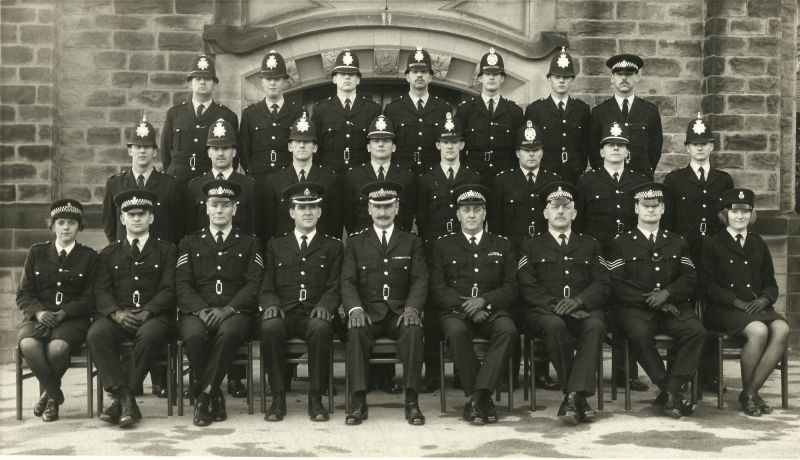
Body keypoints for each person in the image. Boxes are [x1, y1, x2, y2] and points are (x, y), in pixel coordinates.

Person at [607, 182, 706, 419]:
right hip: (637, 310)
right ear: (636, 209)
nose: (650, 210)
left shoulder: (677, 241)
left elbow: (690, 278)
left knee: (697, 331)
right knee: (639, 334)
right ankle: (668, 390)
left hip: (673, 308)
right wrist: (655, 300)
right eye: (645, 206)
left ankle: (669, 393)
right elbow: (617, 283)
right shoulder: (620, 242)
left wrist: (668, 294)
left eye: (656, 206)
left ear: (663, 209)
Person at [517, 182, 608, 424]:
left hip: (582, 310)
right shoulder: (530, 245)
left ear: (574, 213)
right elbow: (527, 285)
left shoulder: (590, 244)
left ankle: (572, 397)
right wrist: (557, 305)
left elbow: (602, 283)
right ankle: (578, 396)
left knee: (596, 326)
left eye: (566, 207)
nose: (560, 211)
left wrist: (578, 301)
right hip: (544, 313)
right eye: (554, 206)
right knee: (555, 325)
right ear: (545, 212)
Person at [176, 179, 264, 427]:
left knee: (228, 334)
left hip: (235, 311)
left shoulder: (250, 242)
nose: (219, 210)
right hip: (198, 311)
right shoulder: (189, 242)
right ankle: (215, 394)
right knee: (193, 336)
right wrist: (200, 309)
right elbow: (182, 284)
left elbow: (254, 283)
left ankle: (204, 397)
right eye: (214, 205)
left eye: (225, 205)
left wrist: (228, 309)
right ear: (206, 208)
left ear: (234, 209)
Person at [430, 184, 519, 425]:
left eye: (476, 210)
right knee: (457, 332)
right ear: (457, 214)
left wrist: (485, 302)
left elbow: (511, 286)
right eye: (466, 210)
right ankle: (480, 398)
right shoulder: (443, 245)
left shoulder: (502, 244)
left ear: (484, 213)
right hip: (455, 313)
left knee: (508, 330)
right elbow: (437, 287)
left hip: (492, 311)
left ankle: (478, 397)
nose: (471, 215)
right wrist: (466, 309)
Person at [341, 181, 428, 426]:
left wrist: (412, 309)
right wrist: (355, 309)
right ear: (369, 209)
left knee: (413, 330)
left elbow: (420, 280)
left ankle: (412, 401)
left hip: (399, 313)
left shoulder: (411, 241)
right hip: (368, 312)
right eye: (377, 207)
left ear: (397, 207)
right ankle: (358, 401)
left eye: (388, 206)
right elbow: (347, 282)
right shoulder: (356, 242)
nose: (382, 212)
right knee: (355, 331)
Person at [88, 190, 177, 428]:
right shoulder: (108, 253)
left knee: (150, 336)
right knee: (96, 334)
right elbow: (101, 291)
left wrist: (148, 311)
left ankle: (122, 399)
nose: (136, 218)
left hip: (153, 316)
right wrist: (115, 313)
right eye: (130, 214)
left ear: (151, 218)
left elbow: (169, 289)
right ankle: (126, 398)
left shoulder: (167, 250)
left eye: (142, 214)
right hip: (119, 315)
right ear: (122, 219)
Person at [700, 188, 788, 417]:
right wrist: (736, 302)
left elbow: (771, 282)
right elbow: (706, 285)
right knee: (758, 331)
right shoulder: (712, 243)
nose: (740, 216)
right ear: (725, 214)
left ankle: (749, 393)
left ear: (751, 214)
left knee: (781, 328)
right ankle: (751, 396)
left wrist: (765, 298)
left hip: (756, 306)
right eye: (734, 212)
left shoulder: (758, 243)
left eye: (745, 212)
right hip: (725, 310)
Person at [488, 120, 561, 391]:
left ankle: (540, 372)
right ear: (517, 152)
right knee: (510, 312)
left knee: (538, 310)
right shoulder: (502, 181)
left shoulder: (554, 181)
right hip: (511, 256)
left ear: (542, 152)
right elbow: (495, 224)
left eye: (536, 149)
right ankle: (508, 373)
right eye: (525, 150)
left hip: (542, 258)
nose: (531, 154)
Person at [575, 121, 649, 391]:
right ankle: (588, 373)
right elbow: (579, 224)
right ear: (602, 151)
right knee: (595, 314)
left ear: (627, 152)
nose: (616, 149)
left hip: (629, 260)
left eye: (621, 145)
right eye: (610, 145)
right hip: (596, 258)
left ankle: (625, 372)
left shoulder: (639, 182)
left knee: (625, 311)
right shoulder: (587, 181)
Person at [260, 182, 342, 422]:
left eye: (312, 207)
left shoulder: (333, 246)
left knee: (320, 328)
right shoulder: (275, 246)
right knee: (269, 327)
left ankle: (315, 398)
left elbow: (336, 284)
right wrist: (271, 303)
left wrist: (325, 306)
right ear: (291, 212)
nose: (307, 212)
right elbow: (265, 282)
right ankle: (277, 397)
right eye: (301, 207)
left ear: (319, 212)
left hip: (314, 314)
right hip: (285, 312)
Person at [663, 114, 733, 393]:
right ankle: (679, 376)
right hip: (686, 255)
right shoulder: (675, 179)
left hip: (714, 256)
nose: (700, 148)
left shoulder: (723, 180)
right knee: (684, 315)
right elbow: (668, 223)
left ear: (712, 147)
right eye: (695, 143)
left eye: (705, 143)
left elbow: (727, 220)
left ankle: (711, 376)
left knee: (712, 315)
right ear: (687, 147)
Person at [415, 112, 480, 392]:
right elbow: (420, 216)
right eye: (445, 142)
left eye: (455, 142)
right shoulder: (426, 179)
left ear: (462, 145)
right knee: (433, 311)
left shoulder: (473, 177)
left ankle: (466, 371)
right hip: (435, 252)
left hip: (466, 251)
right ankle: (432, 371)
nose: (450, 146)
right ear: (438, 146)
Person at [16, 199, 98, 422]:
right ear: (51, 226)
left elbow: (90, 298)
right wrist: (39, 313)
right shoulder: (37, 253)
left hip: (72, 320)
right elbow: (24, 294)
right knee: (28, 344)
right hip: (38, 316)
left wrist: (64, 313)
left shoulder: (90, 257)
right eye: (60, 222)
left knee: (57, 349)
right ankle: (54, 394)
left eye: (71, 223)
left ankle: (48, 398)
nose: (65, 227)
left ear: (79, 227)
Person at [103, 114, 184, 247]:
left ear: (154, 152)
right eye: (137, 147)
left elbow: (177, 226)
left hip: (159, 255)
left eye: (147, 147)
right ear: (130, 150)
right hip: (125, 256)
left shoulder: (170, 185)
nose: (142, 151)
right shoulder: (114, 184)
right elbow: (109, 225)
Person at [261, 112, 342, 241]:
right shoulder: (274, 181)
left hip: (320, 252)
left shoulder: (330, 180)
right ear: (290, 146)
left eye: (307, 141)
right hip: (284, 253)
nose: (302, 145)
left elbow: (334, 227)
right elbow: (269, 227)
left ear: (315, 147)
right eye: (297, 141)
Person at [161, 54, 239, 186]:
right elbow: (165, 153)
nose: (202, 82)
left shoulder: (227, 116)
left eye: (207, 79)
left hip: (209, 183)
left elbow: (234, 157)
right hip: (177, 182)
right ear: (190, 83)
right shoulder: (174, 114)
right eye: (197, 78)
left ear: (214, 83)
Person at [456, 47, 523, 185]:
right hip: (473, 176)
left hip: (505, 178)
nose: (491, 77)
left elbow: (519, 148)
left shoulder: (514, 111)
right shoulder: (466, 109)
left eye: (496, 74)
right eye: (487, 73)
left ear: (503, 78)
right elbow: (458, 147)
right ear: (480, 77)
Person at [589, 54, 662, 179]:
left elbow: (655, 148)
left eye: (629, 74)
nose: (624, 78)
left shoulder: (649, 111)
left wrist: (645, 171)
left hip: (641, 178)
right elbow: (593, 150)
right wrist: (604, 176)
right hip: (609, 180)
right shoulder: (599, 112)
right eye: (619, 74)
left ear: (637, 77)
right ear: (612, 78)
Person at [524, 47, 590, 185]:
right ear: (549, 79)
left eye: (566, 77)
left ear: (572, 80)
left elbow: (586, 144)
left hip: (574, 175)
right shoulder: (536, 110)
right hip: (545, 174)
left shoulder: (581, 109)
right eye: (557, 77)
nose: (561, 81)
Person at [383, 44, 452, 174]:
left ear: (430, 77)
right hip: (401, 174)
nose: (419, 75)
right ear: (407, 76)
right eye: (415, 72)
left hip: (433, 175)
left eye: (424, 72)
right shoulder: (393, 109)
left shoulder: (443, 108)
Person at [342, 114, 415, 234]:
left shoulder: (406, 177)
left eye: (386, 141)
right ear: (368, 147)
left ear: (394, 147)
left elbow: (407, 217)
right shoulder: (353, 177)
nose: (381, 144)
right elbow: (349, 218)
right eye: (376, 141)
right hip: (363, 243)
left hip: (396, 242)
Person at [311, 49, 381, 174]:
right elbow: (315, 149)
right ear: (334, 79)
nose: (347, 77)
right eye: (342, 74)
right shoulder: (321, 110)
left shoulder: (372, 109)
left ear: (358, 80)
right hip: (330, 176)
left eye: (352, 74)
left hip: (362, 176)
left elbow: (378, 148)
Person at [239, 50, 304, 182]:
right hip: (259, 180)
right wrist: (251, 174)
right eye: (268, 79)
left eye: (277, 79)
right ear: (262, 82)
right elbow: (243, 150)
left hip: (289, 180)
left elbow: (303, 147)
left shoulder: (297, 112)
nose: (272, 83)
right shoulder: (249, 114)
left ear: (285, 81)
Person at [186, 118, 257, 235]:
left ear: (234, 152)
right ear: (209, 152)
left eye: (225, 148)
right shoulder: (195, 186)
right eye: (215, 148)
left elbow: (253, 228)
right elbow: (191, 229)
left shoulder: (249, 186)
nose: (220, 153)